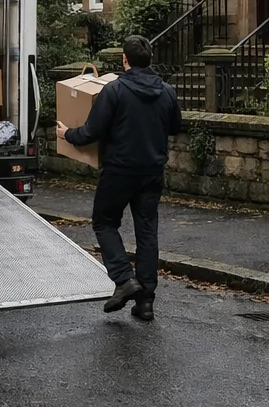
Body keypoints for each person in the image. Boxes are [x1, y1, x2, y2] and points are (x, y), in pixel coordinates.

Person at [57, 34, 181, 322]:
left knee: (104, 222)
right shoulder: (167, 91)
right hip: (152, 171)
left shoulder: (114, 91)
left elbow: (91, 132)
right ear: (150, 60)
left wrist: (67, 134)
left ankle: (124, 278)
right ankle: (145, 301)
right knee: (147, 232)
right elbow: (175, 126)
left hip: (119, 171)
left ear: (125, 60)